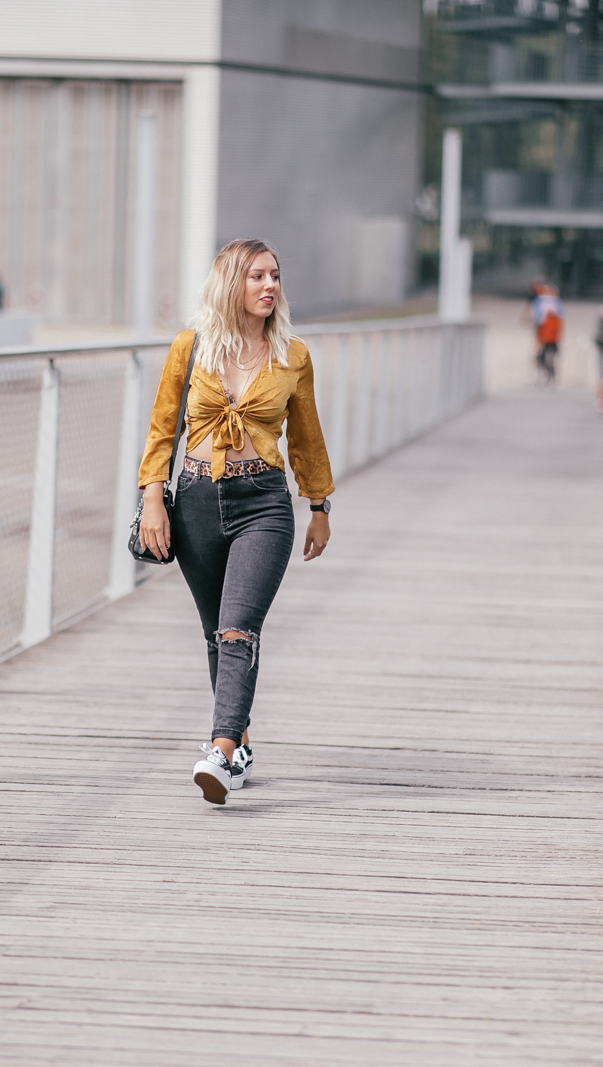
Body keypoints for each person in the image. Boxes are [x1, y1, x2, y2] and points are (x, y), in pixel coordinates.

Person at [136, 238, 334, 805]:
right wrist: (154, 497)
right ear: (231, 284)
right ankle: (242, 742)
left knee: (238, 628)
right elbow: (161, 427)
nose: (270, 285)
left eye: (275, 275)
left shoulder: (292, 356)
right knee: (214, 635)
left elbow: (308, 436)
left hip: (264, 505)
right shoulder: (190, 348)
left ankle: (219, 752)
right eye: (257, 277)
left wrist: (319, 506)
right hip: (196, 501)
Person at [525, 281, 563, 384]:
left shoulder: (554, 302)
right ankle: (542, 372)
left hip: (550, 332)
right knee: (541, 351)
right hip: (543, 330)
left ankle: (549, 374)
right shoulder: (541, 301)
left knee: (549, 353)